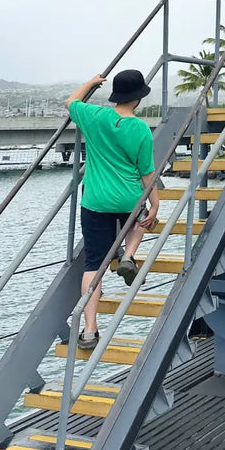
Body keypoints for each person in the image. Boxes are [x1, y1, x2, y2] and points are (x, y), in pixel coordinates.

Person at [65, 70, 160, 349]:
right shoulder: (141, 129)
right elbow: (146, 174)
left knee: (94, 264)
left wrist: (91, 83)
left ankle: (89, 330)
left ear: (116, 95)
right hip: (128, 199)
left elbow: (70, 101)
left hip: (96, 200)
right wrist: (155, 204)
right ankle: (129, 255)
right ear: (139, 98)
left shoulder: (94, 117)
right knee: (139, 221)